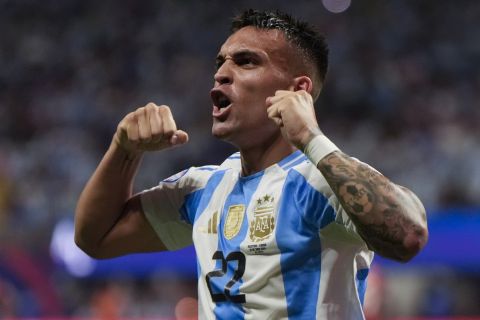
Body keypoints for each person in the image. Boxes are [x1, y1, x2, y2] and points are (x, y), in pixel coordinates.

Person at [75, 9, 428, 319]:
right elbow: (96, 238)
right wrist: (124, 149)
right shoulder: (202, 189)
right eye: (220, 63)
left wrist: (310, 137)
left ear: (297, 91)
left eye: (245, 61)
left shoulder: (319, 181)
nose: (222, 74)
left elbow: (408, 235)